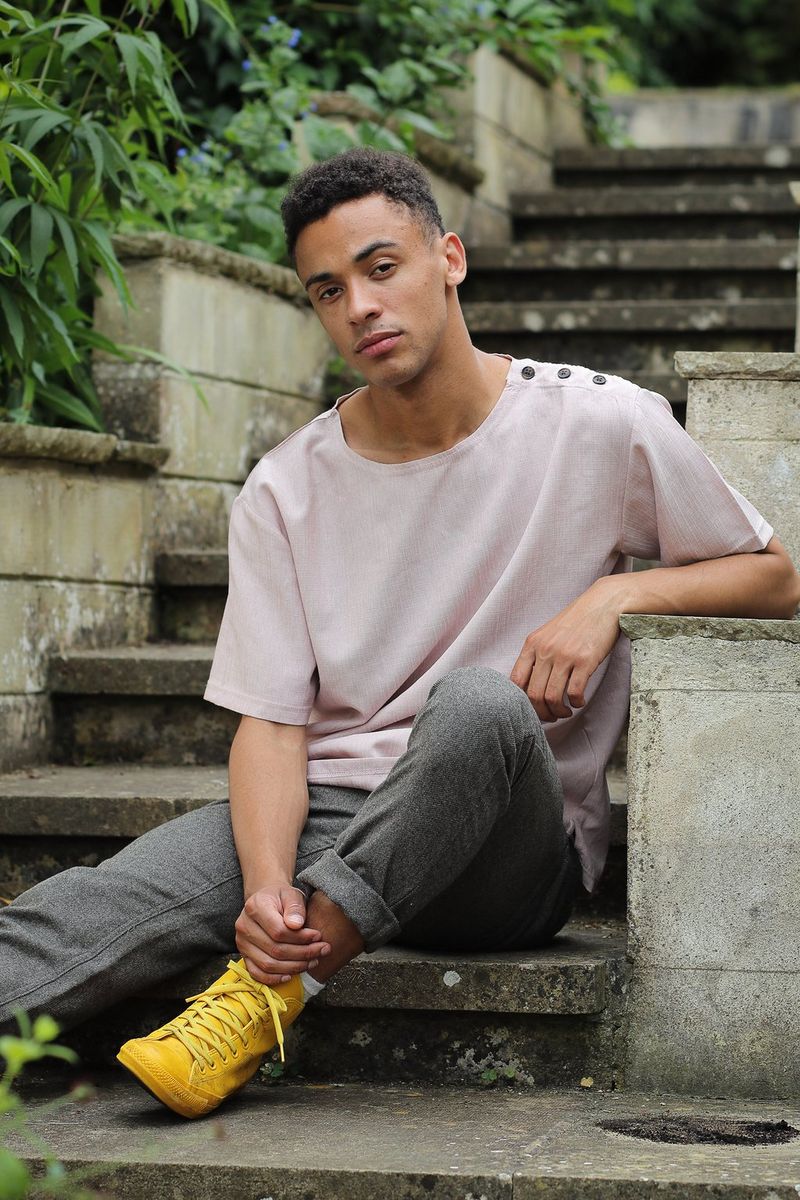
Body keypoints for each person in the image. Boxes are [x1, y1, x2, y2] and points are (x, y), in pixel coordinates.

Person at [2, 148, 799, 1120]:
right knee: (79, 915)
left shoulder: (600, 423)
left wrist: (613, 598)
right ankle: (283, 935)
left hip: (507, 846)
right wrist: (266, 888)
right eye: (328, 290)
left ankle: (266, 999)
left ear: (449, 258)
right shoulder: (285, 488)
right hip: (333, 808)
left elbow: (774, 576)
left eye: (381, 268)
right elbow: (271, 723)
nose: (361, 308)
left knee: (477, 705)